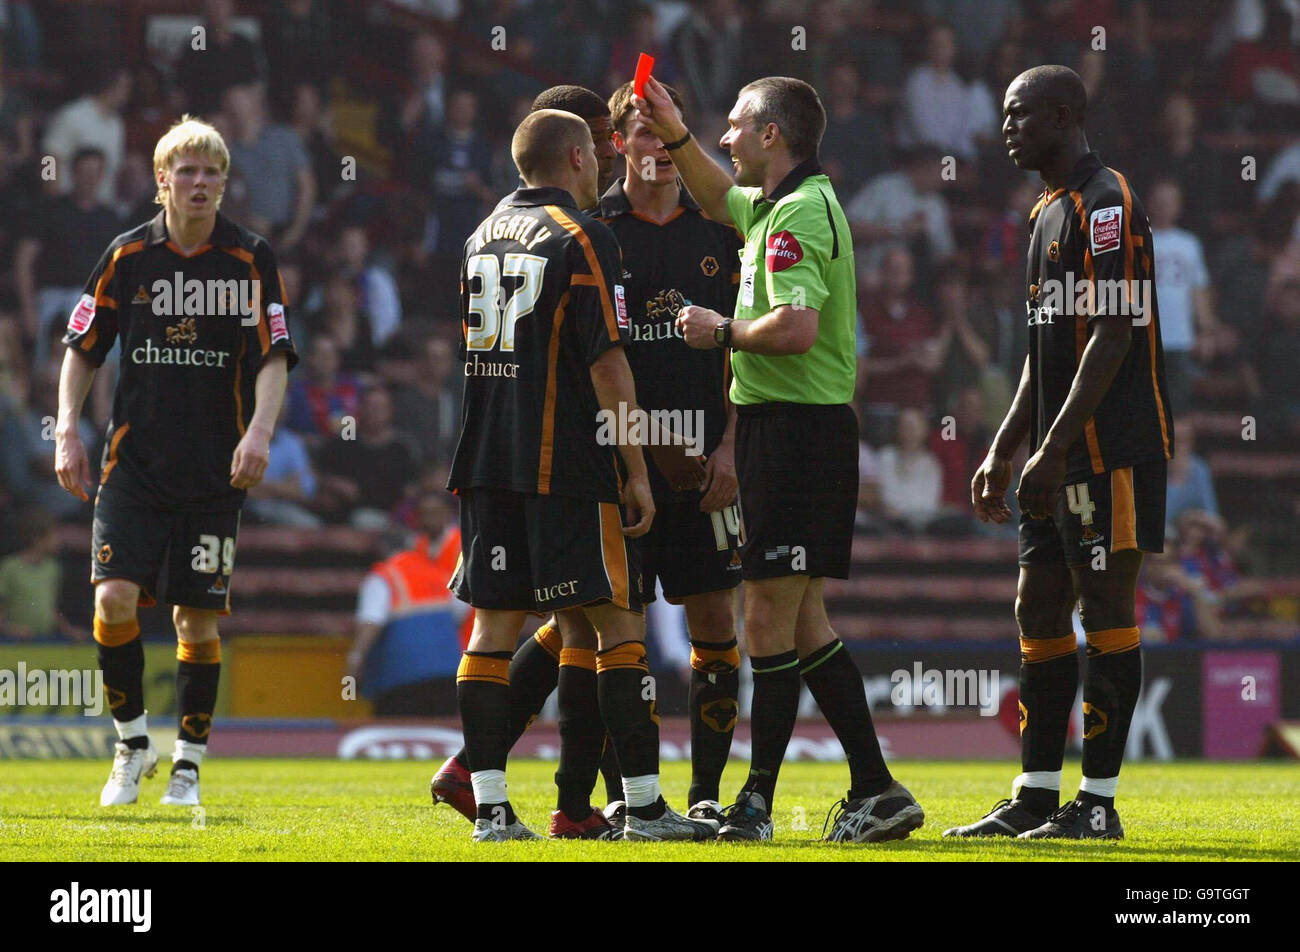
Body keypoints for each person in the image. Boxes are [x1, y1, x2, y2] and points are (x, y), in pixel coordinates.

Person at [635, 74, 924, 842]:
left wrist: (720, 330)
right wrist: (671, 127)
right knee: (801, 622)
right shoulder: (768, 205)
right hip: (785, 428)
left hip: (798, 432)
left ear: (773, 135)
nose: (723, 138)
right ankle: (876, 788)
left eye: (734, 125)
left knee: (764, 611)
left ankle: (756, 803)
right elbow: (708, 187)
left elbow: (794, 329)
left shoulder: (797, 215)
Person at [445, 108, 713, 842]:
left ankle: (494, 810)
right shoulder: (583, 235)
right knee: (617, 625)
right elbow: (606, 362)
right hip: (564, 461)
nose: (601, 163)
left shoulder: (481, 235)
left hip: (486, 462)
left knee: (493, 631)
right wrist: (634, 466)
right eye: (594, 152)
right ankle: (648, 805)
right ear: (573, 157)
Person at [952, 65, 1174, 840]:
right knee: (1038, 605)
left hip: (1111, 448)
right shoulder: (1045, 211)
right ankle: (1037, 794)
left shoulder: (1106, 203)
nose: (1006, 127)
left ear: (1060, 113)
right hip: (1056, 450)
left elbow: (1113, 334)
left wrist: (1049, 448)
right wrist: (1004, 446)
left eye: (1018, 114)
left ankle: (1099, 805)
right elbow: (1040, 353)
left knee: (1106, 605)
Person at [54, 115, 297, 808]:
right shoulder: (128, 256)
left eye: (211, 172)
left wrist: (261, 435)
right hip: (133, 466)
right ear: (161, 180)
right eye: (185, 171)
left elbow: (275, 356)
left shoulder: (251, 258)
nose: (199, 183)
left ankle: (187, 762)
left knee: (196, 620)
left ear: (225, 183)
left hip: (215, 474)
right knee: (112, 598)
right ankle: (132, 744)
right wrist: (66, 430)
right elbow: (81, 347)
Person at [346, 492, 470, 715]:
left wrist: (355, 661)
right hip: (451, 668)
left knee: (396, 731)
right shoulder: (437, 571)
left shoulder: (384, 577)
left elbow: (371, 621)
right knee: (445, 732)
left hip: (401, 674)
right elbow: (459, 610)